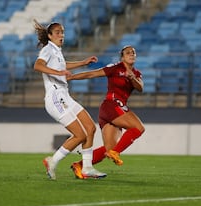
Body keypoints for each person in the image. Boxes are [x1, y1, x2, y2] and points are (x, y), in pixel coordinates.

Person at [33, 19, 106, 180]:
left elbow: (63, 65)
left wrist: (83, 62)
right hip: (55, 98)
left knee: (90, 129)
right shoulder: (48, 49)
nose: (61, 35)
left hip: (65, 96)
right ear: (50, 36)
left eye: (63, 32)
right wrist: (58, 73)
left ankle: (87, 168)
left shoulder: (57, 51)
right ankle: (52, 161)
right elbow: (37, 66)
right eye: (58, 32)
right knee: (80, 135)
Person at [67, 45, 145, 179]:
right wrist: (72, 77)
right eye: (128, 53)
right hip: (111, 105)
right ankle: (116, 152)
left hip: (114, 109)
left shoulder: (136, 73)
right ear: (122, 57)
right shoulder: (115, 68)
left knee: (108, 149)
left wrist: (132, 78)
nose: (131, 54)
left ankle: (79, 165)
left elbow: (140, 87)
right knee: (139, 128)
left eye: (133, 53)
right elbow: (92, 73)